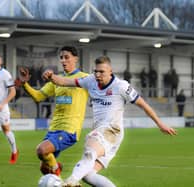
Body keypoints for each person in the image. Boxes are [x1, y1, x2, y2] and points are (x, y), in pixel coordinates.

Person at [43, 55, 177, 187]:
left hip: (112, 130)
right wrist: (51, 76)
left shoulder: (121, 86)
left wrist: (160, 124)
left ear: (110, 71)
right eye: (96, 71)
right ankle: (75, 180)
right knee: (89, 175)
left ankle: (70, 181)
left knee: (90, 150)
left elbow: (143, 105)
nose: (98, 74)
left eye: (102, 72)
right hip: (103, 133)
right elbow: (65, 82)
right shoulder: (90, 81)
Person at [19, 46, 89, 176]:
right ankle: (58, 174)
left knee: (41, 150)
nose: (63, 60)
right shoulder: (55, 80)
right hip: (53, 129)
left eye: (67, 57)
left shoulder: (84, 78)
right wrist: (24, 84)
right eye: (61, 58)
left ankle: (57, 170)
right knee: (44, 169)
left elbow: (101, 86)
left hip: (69, 129)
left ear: (76, 59)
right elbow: (38, 96)